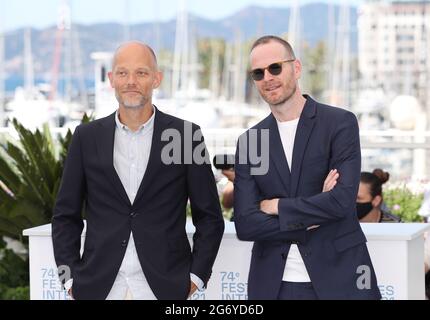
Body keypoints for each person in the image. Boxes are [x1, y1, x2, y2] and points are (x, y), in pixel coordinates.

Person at [51, 41, 224, 300]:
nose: (131, 81)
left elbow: (209, 216)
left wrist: (196, 278)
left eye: (141, 73)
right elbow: (65, 216)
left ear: (156, 79)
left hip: (165, 288)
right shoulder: (86, 137)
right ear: (111, 79)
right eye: (122, 73)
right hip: (99, 288)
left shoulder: (186, 136)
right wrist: (68, 280)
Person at [233, 35, 381, 300]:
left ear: (297, 68)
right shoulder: (251, 141)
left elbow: (342, 202)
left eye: (275, 67)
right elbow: (245, 224)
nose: (267, 77)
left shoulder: (339, 124)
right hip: (274, 285)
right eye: (258, 73)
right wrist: (309, 217)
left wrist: (276, 206)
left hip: (342, 278)